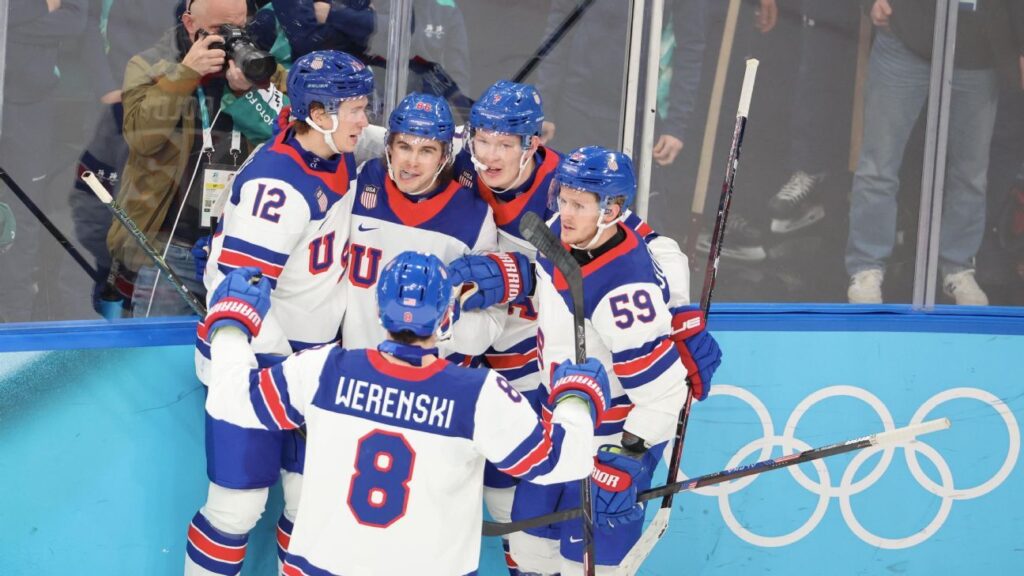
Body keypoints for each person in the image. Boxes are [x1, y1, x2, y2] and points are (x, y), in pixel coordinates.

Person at [202, 252, 609, 576]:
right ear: (447, 317)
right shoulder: (478, 394)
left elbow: (231, 399)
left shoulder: (324, 368)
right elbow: (562, 460)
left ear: (380, 313)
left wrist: (233, 322)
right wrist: (577, 396)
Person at [449, 79, 695, 575]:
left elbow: (659, 251)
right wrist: (509, 273)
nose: (490, 155)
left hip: (601, 425)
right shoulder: (565, 221)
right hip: (555, 402)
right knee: (531, 549)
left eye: (505, 144)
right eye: (484, 141)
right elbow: (548, 271)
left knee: (587, 562)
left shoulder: (618, 267)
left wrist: (631, 455)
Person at [186, 50, 373, 575]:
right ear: (319, 113)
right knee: (235, 508)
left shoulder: (333, 148)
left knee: (311, 505)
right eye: (356, 108)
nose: (364, 118)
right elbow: (239, 297)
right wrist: (286, 378)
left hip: (308, 360)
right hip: (253, 363)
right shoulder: (279, 184)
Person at [107, 0, 287, 318]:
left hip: (239, 246)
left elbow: (291, 143)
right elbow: (141, 136)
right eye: (221, 29)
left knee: (231, 353)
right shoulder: (149, 65)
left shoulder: (263, 68)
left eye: (241, 27)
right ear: (190, 23)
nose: (234, 37)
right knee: (156, 360)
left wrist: (252, 91)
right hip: (168, 245)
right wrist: (185, 75)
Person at [846, 0, 1024, 305]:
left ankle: (957, 267)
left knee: (970, 172)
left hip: (980, 46)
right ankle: (867, 265)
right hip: (904, 34)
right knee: (879, 164)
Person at [342, 91, 505, 359]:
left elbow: (489, 324)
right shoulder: (360, 184)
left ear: (443, 157)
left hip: (427, 385)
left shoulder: (473, 217)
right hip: (356, 368)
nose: (412, 162)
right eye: (404, 146)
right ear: (389, 147)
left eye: (426, 151)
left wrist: (441, 322)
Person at [0, 0, 86, 322]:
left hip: (31, 105)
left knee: (22, 216)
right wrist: (43, 6)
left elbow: (74, 23)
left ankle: (15, 322)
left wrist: (10, 23)